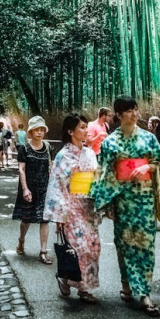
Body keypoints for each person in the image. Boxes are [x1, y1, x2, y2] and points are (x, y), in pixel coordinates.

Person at [92, 96, 160, 317]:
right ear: (118, 115)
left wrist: (147, 167)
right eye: (129, 110)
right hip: (122, 201)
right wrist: (106, 203)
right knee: (124, 245)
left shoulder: (148, 138)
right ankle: (126, 284)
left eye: (136, 109)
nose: (135, 114)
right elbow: (103, 173)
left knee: (146, 246)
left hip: (144, 200)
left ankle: (144, 293)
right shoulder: (110, 143)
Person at [44, 113, 101, 303]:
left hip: (88, 206)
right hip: (71, 208)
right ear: (71, 131)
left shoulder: (90, 153)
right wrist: (59, 216)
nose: (86, 130)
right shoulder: (63, 155)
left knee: (93, 247)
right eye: (82, 127)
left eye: (86, 127)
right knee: (78, 248)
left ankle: (85, 288)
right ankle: (67, 279)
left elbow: (96, 180)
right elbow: (57, 186)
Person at [13, 115, 53, 264]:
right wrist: (25, 189)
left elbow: (52, 167)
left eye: (42, 129)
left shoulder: (48, 147)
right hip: (29, 187)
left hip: (44, 188)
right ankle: (21, 240)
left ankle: (43, 251)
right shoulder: (24, 149)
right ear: (30, 132)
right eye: (36, 130)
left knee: (45, 220)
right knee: (26, 219)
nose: (40, 132)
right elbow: (21, 170)